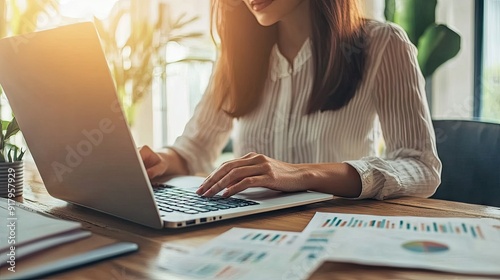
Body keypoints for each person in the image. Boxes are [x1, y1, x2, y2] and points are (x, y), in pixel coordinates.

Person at [140, 0, 441, 200]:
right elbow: (193, 150)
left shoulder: (383, 43)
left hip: (335, 234)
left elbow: (420, 167)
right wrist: (159, 162)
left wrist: (302, 174)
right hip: (251, 236)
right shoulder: (239, 53)